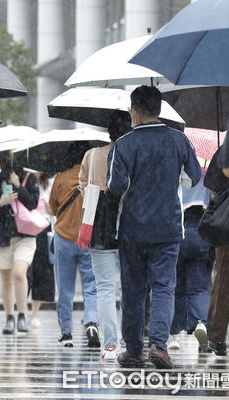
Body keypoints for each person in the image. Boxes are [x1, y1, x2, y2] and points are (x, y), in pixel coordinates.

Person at [108, 85, 201, 369]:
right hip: (168, 228)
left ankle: (134, 350)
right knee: (164, 287)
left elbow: (116, 187)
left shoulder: (123, 145)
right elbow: (193, 178)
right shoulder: (179, 140)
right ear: (158, 110)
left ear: (134, 111)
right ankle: (159, 346)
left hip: (132, 230)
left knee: (133, 289)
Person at [78, 110, 132, 360]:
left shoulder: (92, 155)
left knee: (105, 288)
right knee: (130, 287)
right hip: (128, 222)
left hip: (99, 222)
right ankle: (130, 343)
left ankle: (110, 345)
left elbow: (82, 187)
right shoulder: (132, 153)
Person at [50, 149, 99, 349]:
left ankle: (66, 333)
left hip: (63, 238)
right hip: (87, 239)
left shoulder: (61, 179)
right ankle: (91, 322)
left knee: (65, 288)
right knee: (91, 286)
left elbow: (53, 207)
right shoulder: (92, 180)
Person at [0, 150, 40, 335]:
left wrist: (19, 186)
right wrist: (1, 202)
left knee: (19, 273)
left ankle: (22, 315)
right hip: (3, 237)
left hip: (25, 235)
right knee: (6, 280)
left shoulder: (29, 178)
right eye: (7, 157)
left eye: (13, 157)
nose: (10, 161)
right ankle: (9, 317)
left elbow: (33, 204)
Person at [204, 144, 229, 358]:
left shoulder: (227, 150)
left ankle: (217, 338)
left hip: (227, 223)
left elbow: (211, 186)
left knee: (223, 278)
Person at [167, 173, 214, 353]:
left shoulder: (175, 172)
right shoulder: (204, 175)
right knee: (199, 287)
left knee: (176, 288)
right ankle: (201, 322)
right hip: (201, 231)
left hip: (178, 230)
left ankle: (173, 334)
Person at [27, 172, 55, 328]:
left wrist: (43, 203)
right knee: (25, 270)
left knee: (41, 271)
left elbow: (54, 210)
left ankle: (34, 314)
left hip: (43, 228)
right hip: (27, 226)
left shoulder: (49, 183)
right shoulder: (25, 181)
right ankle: (23, 311)